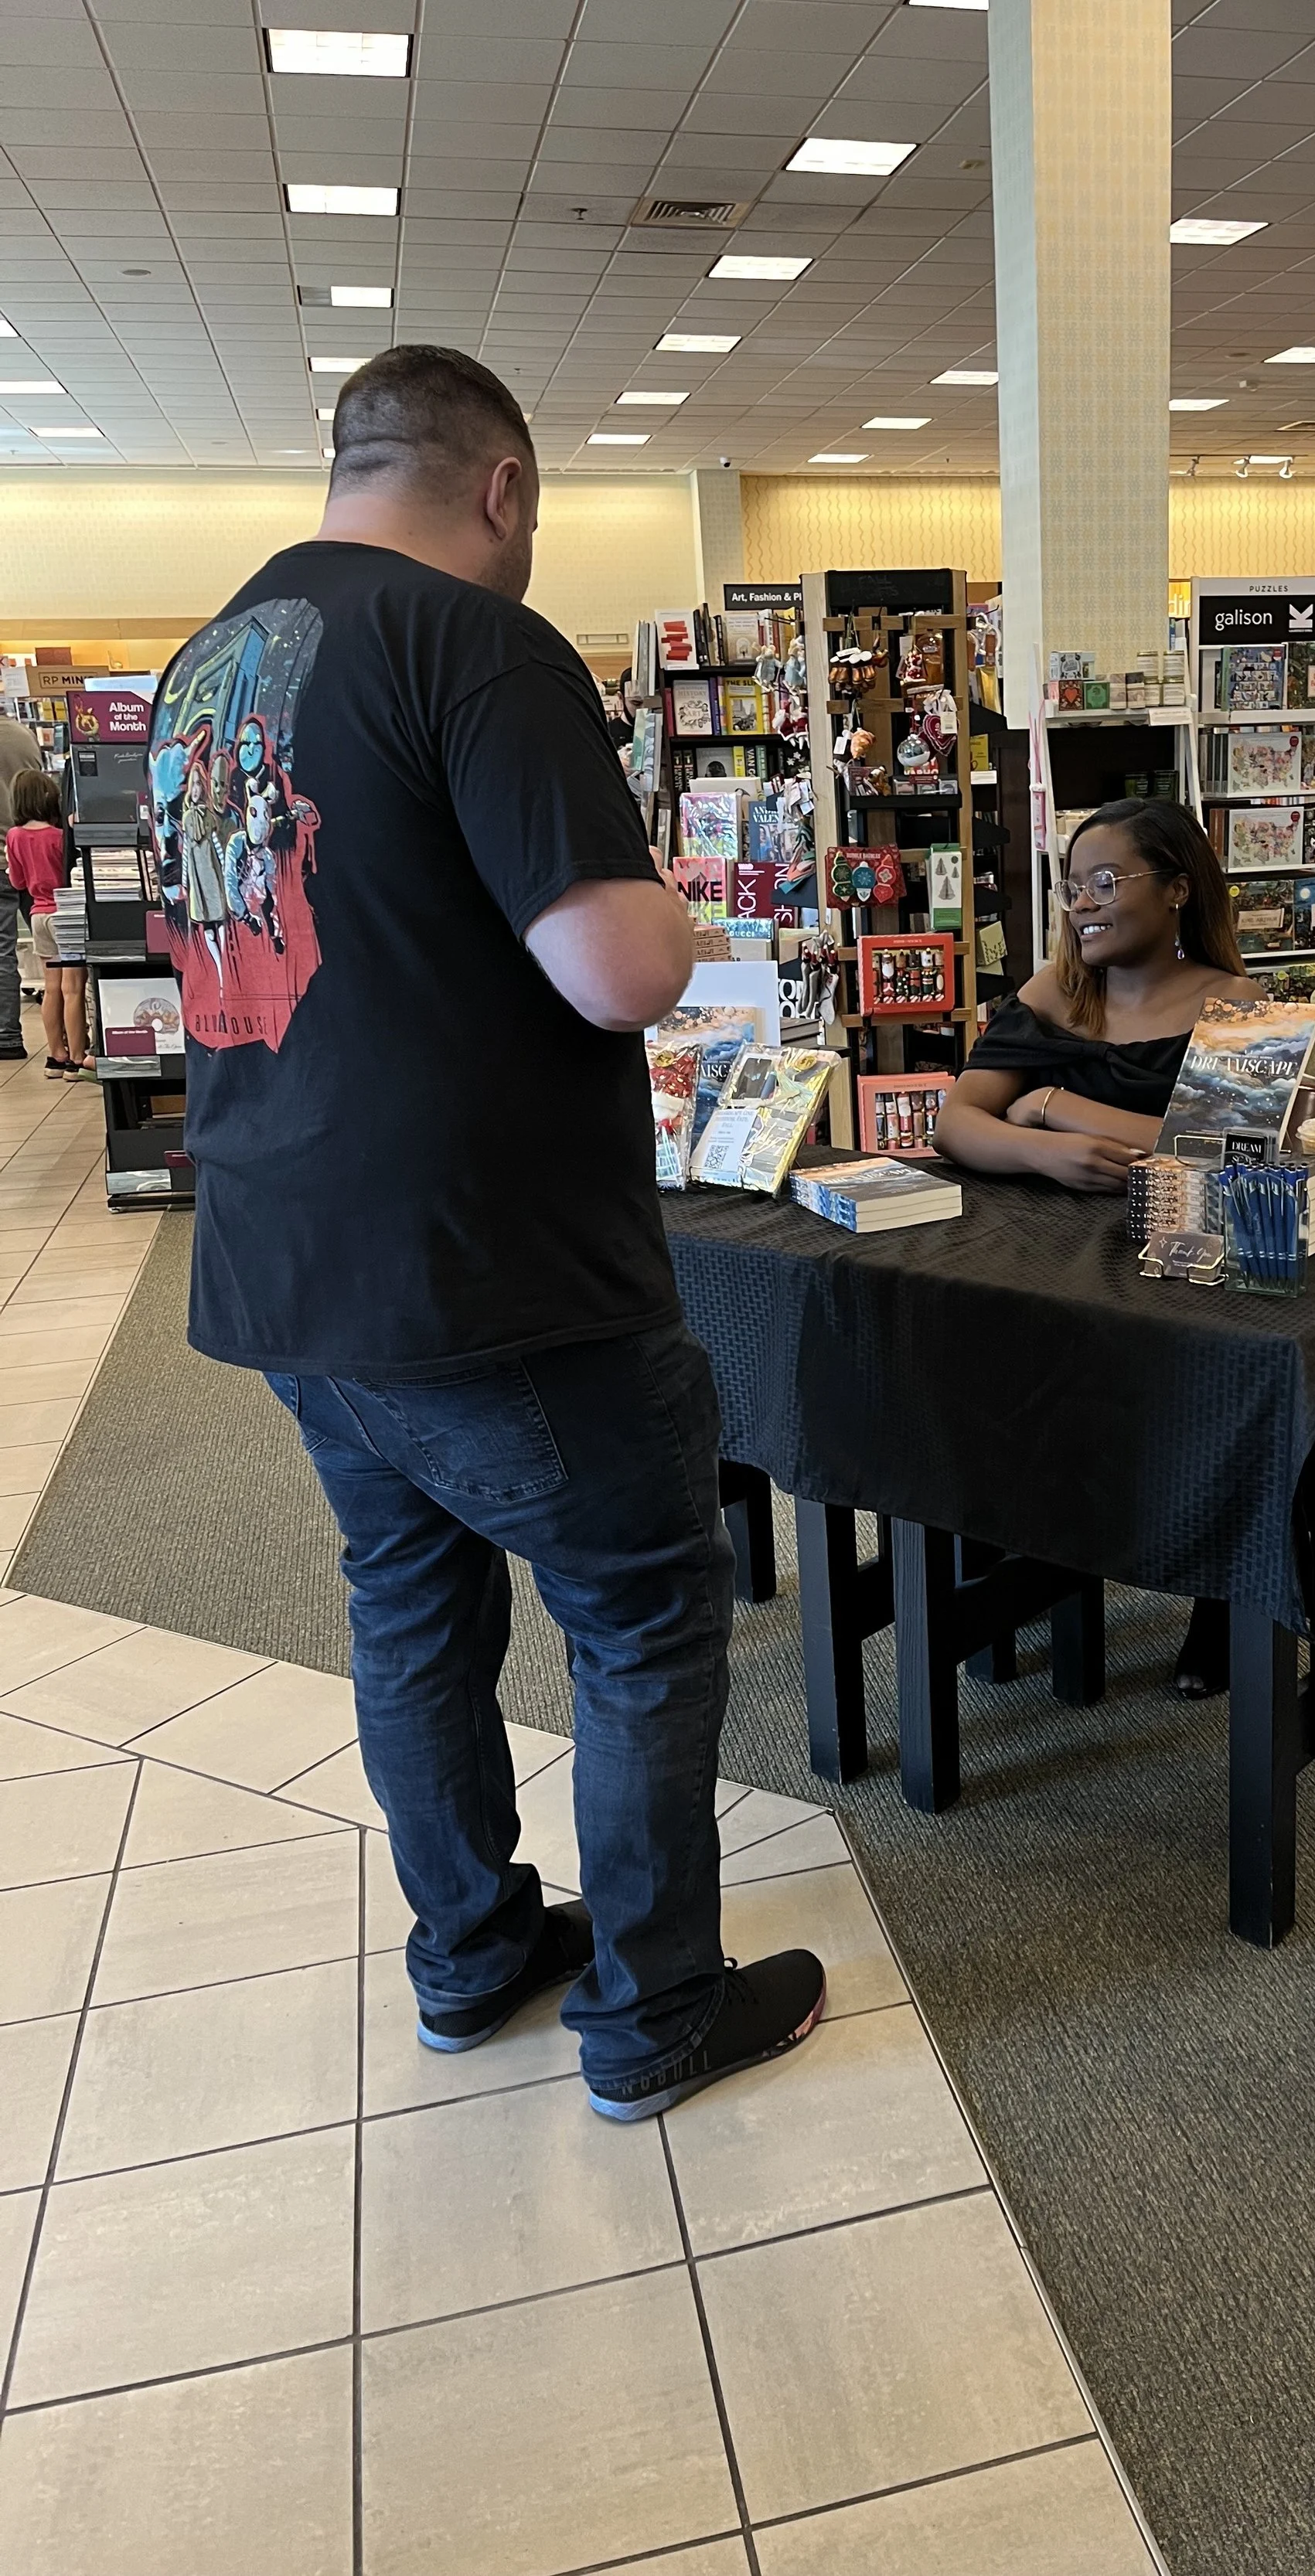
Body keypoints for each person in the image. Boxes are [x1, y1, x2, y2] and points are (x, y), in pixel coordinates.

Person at [148, 345, 823, 2125]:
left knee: (413, 1617)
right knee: (643, 1623)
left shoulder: (206, 664)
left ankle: (468, 1956)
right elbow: (615, 968)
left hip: (288, 1266)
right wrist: (678, 907)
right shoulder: (480, 642)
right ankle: (657, 2008)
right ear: (505, 489)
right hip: (493, 1270)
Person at [935, 798, 1252, 1694]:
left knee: (1207, 1394)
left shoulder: (1237, 1005)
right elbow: (960, 1122)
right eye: (1073, 887)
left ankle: (1219, 1593)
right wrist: (1039, 1146)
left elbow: (1217, 1147)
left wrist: (1050, 1105)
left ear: (1180, 890)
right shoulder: (1052, 991)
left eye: (1107, 882)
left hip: (1176, 1264)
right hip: (1038, 1259)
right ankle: (1018, 1572)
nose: (1083, 904)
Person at [5, 769, 83, 1074]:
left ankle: (56, 1056)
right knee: (73, 988)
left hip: (38, 915)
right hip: (67, 914)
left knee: (51, 988)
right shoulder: (59, 837)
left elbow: (17, 881)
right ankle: (78, 1058)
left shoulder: (14, 836)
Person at [0, 730, 40, 1061]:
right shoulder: (23, 735)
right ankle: (73, 1041)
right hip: (33, 856)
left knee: (2, 953)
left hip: (3, 860)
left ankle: (7, 1036)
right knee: (56, 954)